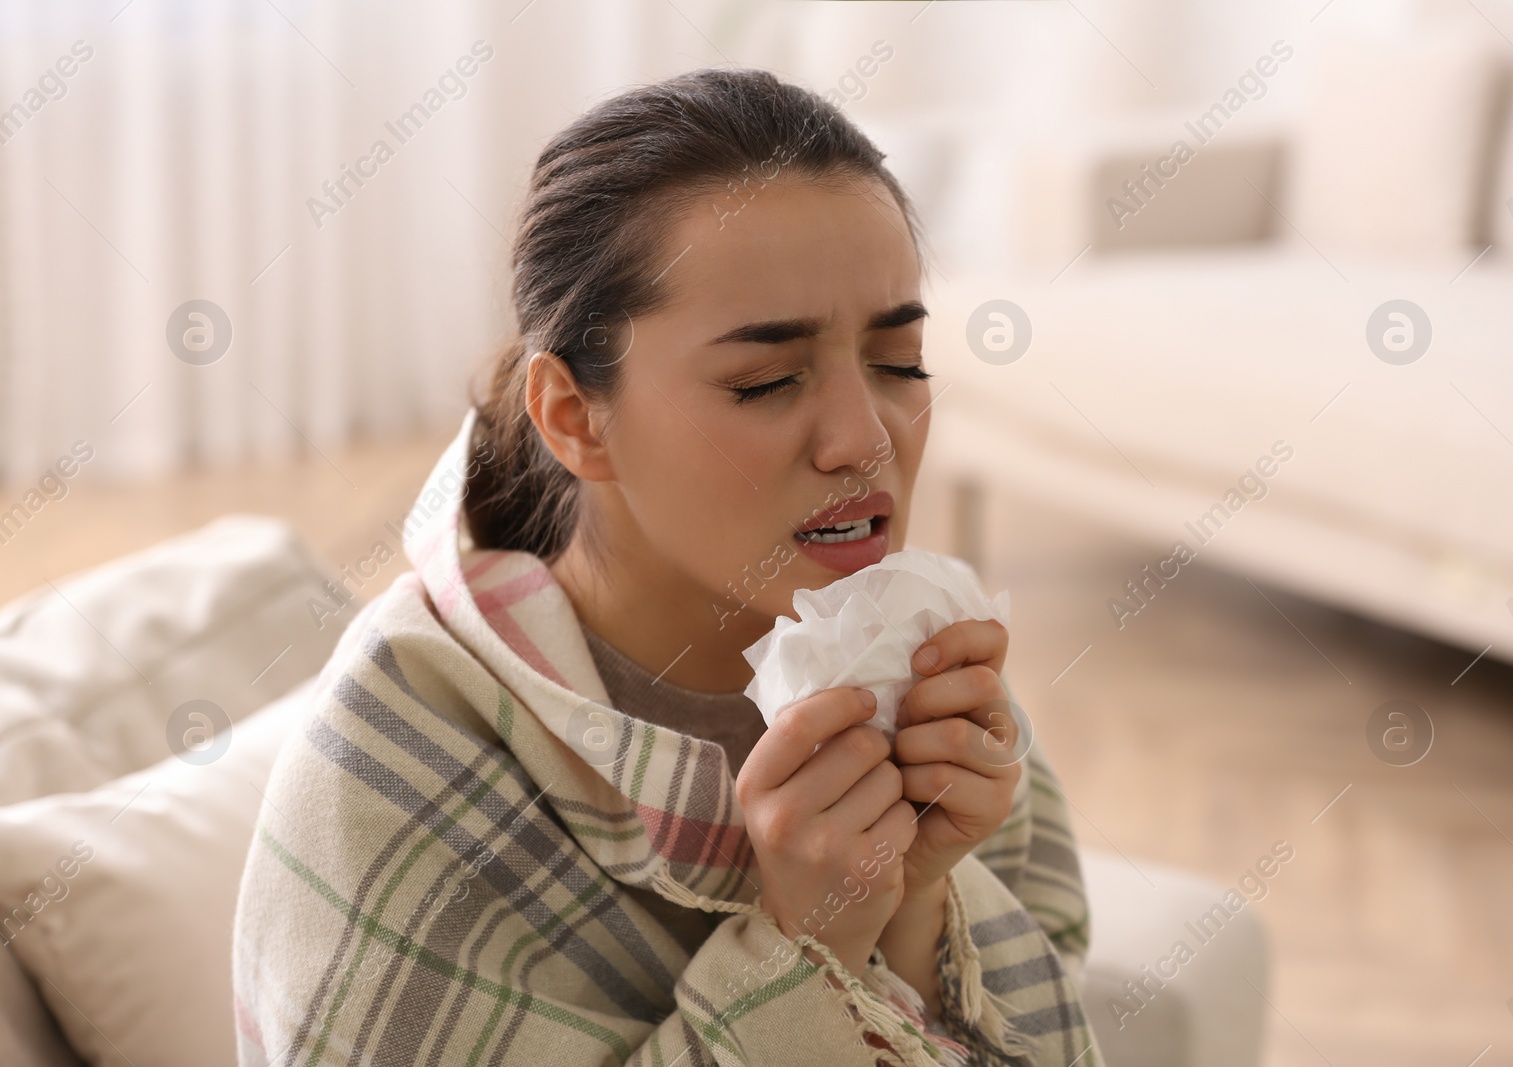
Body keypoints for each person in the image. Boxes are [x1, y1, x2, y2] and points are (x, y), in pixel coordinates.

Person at [233, 67, 1096, 1067]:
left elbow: (1058, 999)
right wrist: (804, 948)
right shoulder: (390, 778)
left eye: (898, 362)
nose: (866, 439)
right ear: (573, 417)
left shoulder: (916, 672)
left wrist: (913, 904)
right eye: (765, 380)